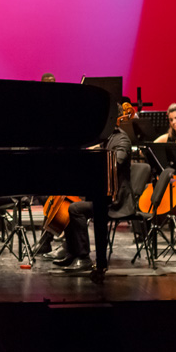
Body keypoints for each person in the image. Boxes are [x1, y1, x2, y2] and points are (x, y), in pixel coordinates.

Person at [51, 110, 135, 272]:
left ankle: (83, 258)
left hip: (117, 200)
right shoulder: (106, 139)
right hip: (105, 194)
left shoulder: (122, 139)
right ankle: (73, 252)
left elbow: (117, 160)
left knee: (75, 208)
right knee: (71, 205)